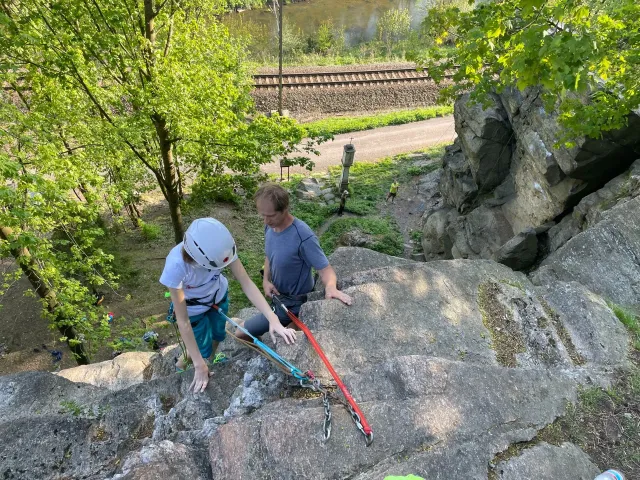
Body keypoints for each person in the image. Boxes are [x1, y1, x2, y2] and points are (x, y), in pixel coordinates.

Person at [160, 217, 297, 393]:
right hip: (193, 309)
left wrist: (273, 319)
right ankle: (183, 364)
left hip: (218, 297)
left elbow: (246, 282)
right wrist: (199, 365)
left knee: (218, 334)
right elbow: (183, 320)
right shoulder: (176, 266)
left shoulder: (218, 248)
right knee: (202, 346)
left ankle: (210, 359)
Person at [237, 184, 352, 341]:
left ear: (285, 209)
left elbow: (325, 269)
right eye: (262, 215)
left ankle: (284, 326)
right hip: (278, 297)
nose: (265, 220)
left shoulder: (303, 236)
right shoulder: (270, 227)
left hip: (292, 304)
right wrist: (266, 281)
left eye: (270, 216)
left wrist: (331, 287)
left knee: (240, 333)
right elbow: (269, 255)